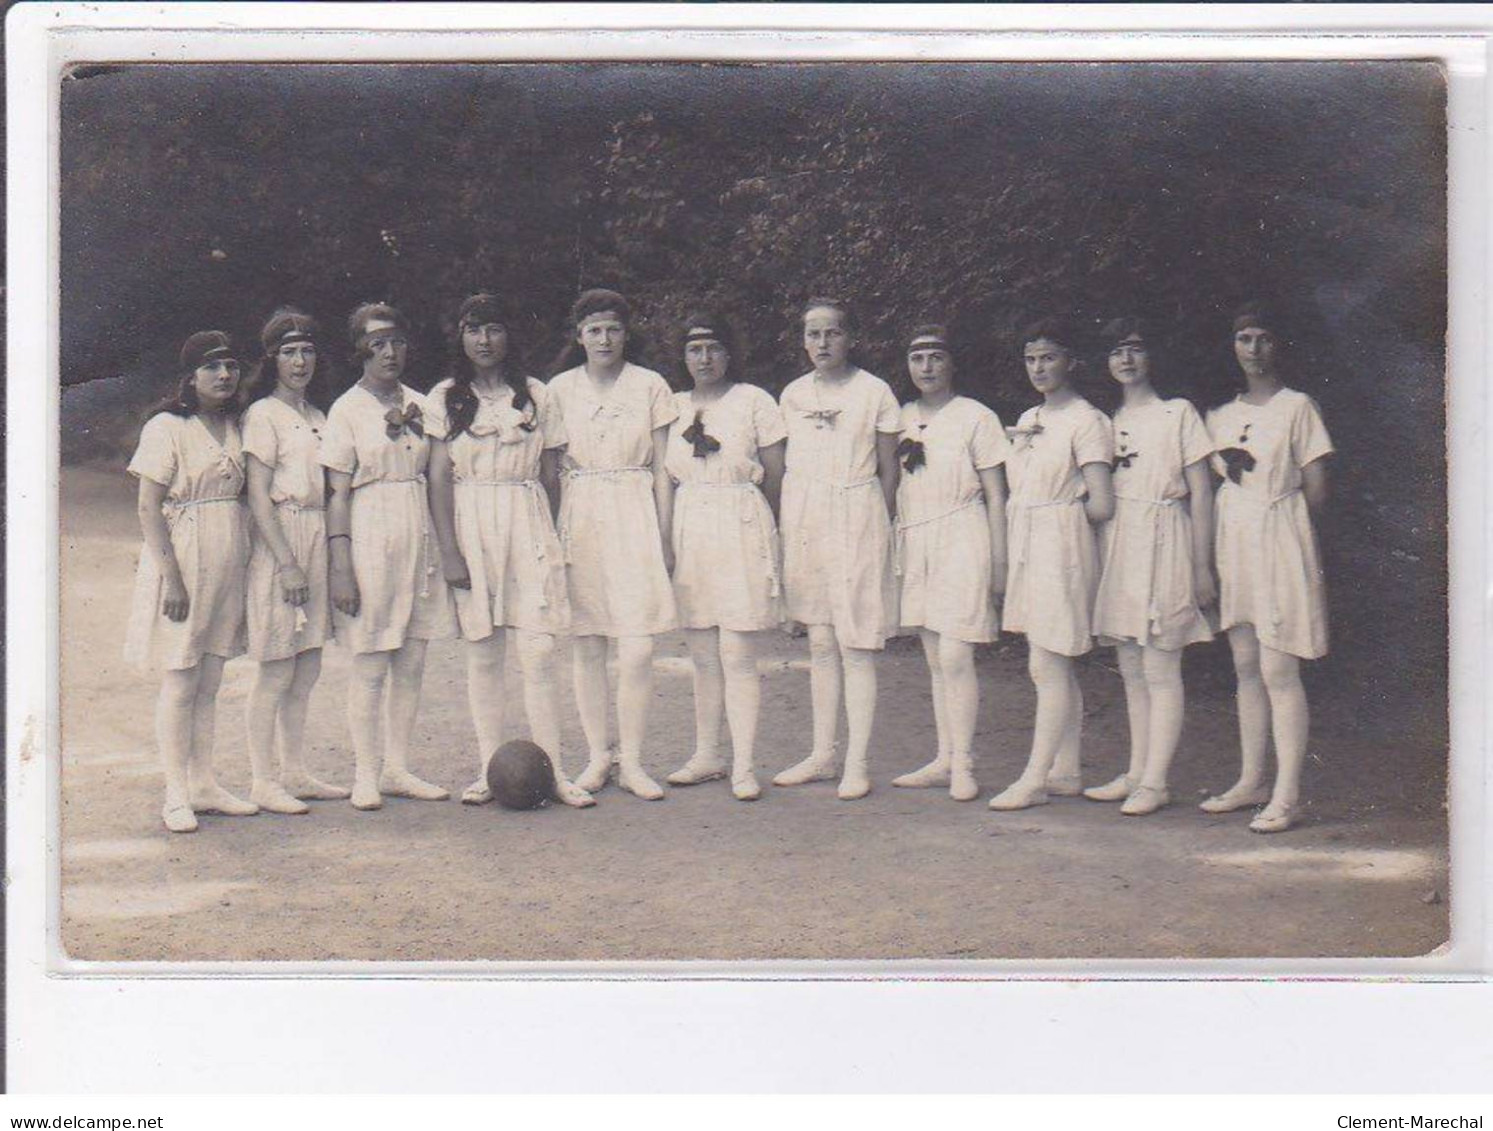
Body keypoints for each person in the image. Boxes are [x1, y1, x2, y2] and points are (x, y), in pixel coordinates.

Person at [426, 292, 593, 809]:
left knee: (539, 650)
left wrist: (547, 534)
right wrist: (450, 550)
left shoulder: (538, 394)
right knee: (484, 651)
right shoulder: (446, 395)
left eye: (494, 328)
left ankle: (558, 773)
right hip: (472, 521)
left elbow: (551, 473)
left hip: (526, 519)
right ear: (461, 336)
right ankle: (488, 770)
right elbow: (437, 477)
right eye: (474, 329)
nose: (484, 340)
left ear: (509, 335)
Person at [1201, 302, 1333, 833]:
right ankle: (1251, 779)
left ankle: (1288, 793)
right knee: (1246, 665)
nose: (1253, 350)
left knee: (1280, 669)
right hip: (1236, 542)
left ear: (1279, 346)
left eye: (1263, 339)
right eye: (1244, 339)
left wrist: (1286, 539)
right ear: (1232, 347)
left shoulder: (1298, 407)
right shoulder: (1219, 417)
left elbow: (1318, 488)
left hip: (1280, 537)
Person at [322, 302, 456, 811]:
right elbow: (337, 492)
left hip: (416, 528)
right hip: (371, 528)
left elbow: (438, 476)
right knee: (371, 659)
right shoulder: (346, 409)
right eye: (376, 343)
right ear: (360, 349)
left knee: (413, 657)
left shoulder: (425, 405)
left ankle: (399, 766)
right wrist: (341, 566)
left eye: (397, 341)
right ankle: (365, 772)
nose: (389, 352)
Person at [547, 289, 678, 799]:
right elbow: (552, 471)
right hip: (581, 513)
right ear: (579, 335)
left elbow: (665, 470)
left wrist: (665, 535)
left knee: (638, 644)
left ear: (627, 333)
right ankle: (599, 755)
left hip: (635, 509)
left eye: (613, 329)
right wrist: (555, 535)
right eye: (594, 330)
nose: (604, 339)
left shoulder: (650, 385)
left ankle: (634, 760)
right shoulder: (558, 389)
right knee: (587, 641)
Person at [124, 330, 257, 832]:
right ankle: (175, 793)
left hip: (228, 557)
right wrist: (172, 579)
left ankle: (204, 784)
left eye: (230, 365)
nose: (224, 375)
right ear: (190, 376)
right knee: (181, 679)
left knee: (211, 679)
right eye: (211, 367)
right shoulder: (167, 426)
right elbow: (147, 505)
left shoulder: (237, 424)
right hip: (184, 556)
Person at [1086, 317, 1216, 816]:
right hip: (1120, 543)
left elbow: (1201, 490)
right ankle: (1137, 771)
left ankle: (1157, 781)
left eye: (1135, 349)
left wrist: (1202, 565)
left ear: (1150, 357)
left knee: (1161, 663)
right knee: (1131, 665)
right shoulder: (1104, 423)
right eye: (1116, 351)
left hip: (1166, 538)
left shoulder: (1177, 413)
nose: (1126, 359)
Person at [774, 297, 900, 800]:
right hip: (808, 517)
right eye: (813, 334)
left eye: (832, 333)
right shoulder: (792, 395)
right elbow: (787, 468)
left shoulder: (876, 392)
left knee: (855, 644)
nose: (823, 343)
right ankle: (823, 753)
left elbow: (889, 471)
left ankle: (857, 761)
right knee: (822, 641)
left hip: (859, 513)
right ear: (803, 341)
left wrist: (877, 526)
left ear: (850, 337)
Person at [989, 317, 1115, 812]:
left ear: (1071, 362)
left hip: (1061, 542)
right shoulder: (1028, 417)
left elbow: (1101, 503)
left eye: (1049, 358)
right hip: (1031, 540)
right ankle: (1066, 770)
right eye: (1031, 359)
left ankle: (1035, 777)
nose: (1039, 368)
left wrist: (1057, 524)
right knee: (1047, 662)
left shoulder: (1087, 420)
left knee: (1049, 660)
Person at [660, 312, 787, 802]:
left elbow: (775, 474)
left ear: (729, 352)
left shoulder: (754, 401)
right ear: (684, 356)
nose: (704, 358)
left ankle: (744, 764)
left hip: (740, 522)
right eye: (695, 349)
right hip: (691, 523)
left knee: (737, 652)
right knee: (702, 653)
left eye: (713, 348)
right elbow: (665, 477)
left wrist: (766, 532)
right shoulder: (670, 406)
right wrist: (668, 540)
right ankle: (707, 754)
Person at [888, 325, 1010, 802]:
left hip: (963, 533)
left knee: (957, 654)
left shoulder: (976, 417)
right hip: (917, 537)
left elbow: (997, 493)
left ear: (952, 362)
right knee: (936, 656)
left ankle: (964, 763)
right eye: (917, 358)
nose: (927, 367)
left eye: (936, 357)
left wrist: (1000, 560)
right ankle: (944, 757)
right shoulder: (899, 418)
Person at [241, 309, 348, 815]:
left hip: (316, 533)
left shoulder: (319, 416)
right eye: (288, 352)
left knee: (307, 667)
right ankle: (262, 780)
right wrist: (286, 564)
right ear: (272, 359)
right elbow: (259, 497)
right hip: (281, 539)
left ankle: (295, 771)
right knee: (275, 668)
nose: (299, 361)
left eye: (306, 351)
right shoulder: (263, 414)